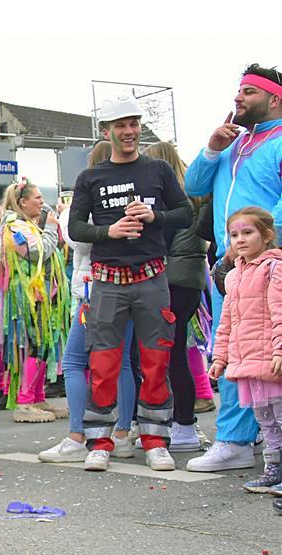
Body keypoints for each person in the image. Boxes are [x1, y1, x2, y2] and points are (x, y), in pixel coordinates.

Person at [68, 96, 193, 472]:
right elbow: (75, 228)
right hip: (107, 282)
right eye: (121, 126)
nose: (129, 132)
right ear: (106, 132)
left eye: (134, 124)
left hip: (153, 277)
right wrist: (110, 230)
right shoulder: (90, 177)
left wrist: (154, 215)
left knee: (156, 362)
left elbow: (185, 214)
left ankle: (156, 440)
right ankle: (100, 442)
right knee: (103, 365)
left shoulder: (157, 170)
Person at [184, 63, 282, 472]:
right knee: (232, 354)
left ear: (275, 99)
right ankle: (238, 439)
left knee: (269, 354)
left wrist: (257, 247)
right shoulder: (233, 144)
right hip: (233, 268)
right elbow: (192, 187)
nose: (238, 98)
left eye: (249, 92)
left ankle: (245, 440)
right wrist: (211, 149)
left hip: (268, 266)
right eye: (238, 91)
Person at [39, 142, 139, 462]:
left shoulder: (93, 199)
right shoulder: (132, 197)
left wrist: (70, 215)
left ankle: (78, 435)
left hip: (94, 287)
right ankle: (122, 433)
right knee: (122, 362)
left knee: (74, 362)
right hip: (131, 283)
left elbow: (77, 238)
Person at [209, 207, 282, 498]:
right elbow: (227, 322)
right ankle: (274, 467)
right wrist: (220, 357)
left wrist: (280, 350)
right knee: (264, 418)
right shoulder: (233, 276)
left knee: (280, 415)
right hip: (248, 359)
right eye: (234, 234)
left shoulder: (274, 269)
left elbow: (279, 313)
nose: (239, 239)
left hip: (271, 359)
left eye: (247, 232)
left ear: (267, 236)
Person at [145, 141, 212, 452]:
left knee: (168, 355)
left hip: (171, 278)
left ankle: (182, 423)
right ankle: (184, 422)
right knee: (178, 352)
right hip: (192, 278)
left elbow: (162, 240)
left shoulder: (172, 198)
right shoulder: (196, 192)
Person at [0, 180, 69, 423]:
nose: (42, 202)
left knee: (44, 343)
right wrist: (48, 229)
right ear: (23, 202)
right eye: (37, 198)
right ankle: (25, 401)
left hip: (42, 296)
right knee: (35, 343)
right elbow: (38, 254)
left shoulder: (26, 225)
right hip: (28, 297)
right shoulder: (16, 227)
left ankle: (37, 396)